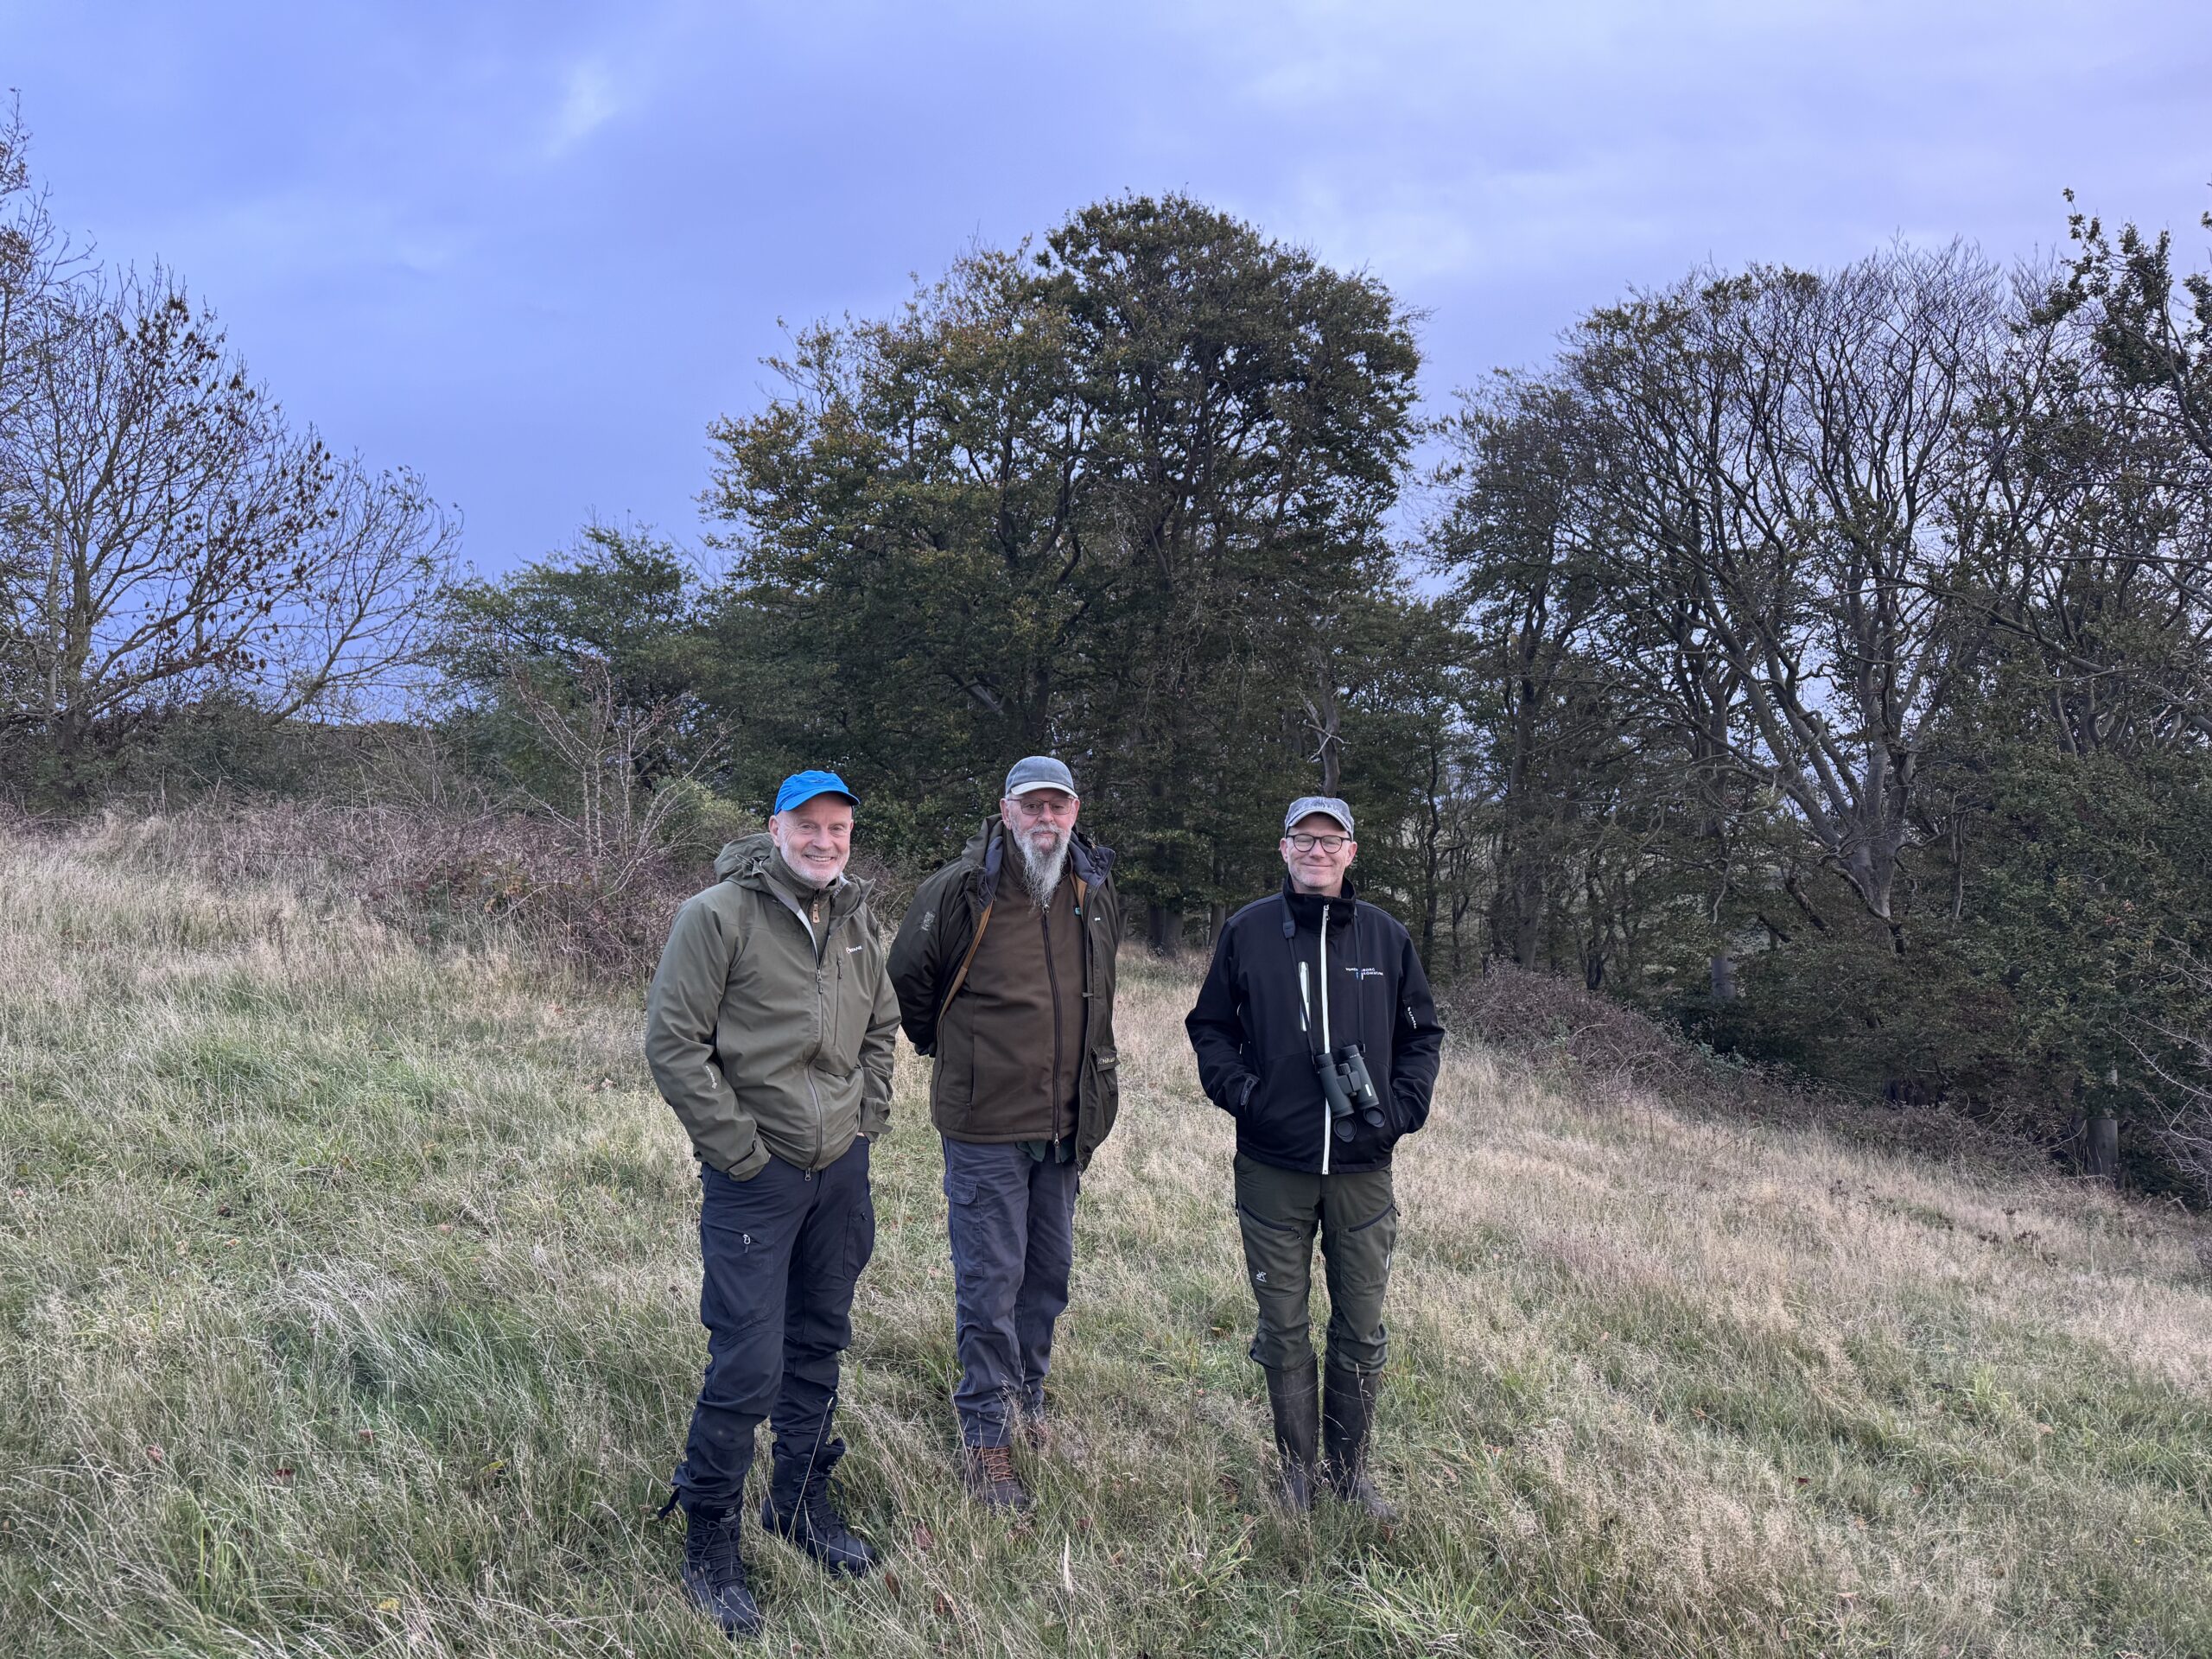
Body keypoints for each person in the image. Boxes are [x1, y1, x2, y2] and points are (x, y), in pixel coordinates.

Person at [645, 770, 899, 1639]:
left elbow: (880, 1028)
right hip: (756, 1173)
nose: (825, 841)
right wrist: (741, 1154)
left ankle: (797, 1504)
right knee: (747, 1361)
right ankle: (708, 1536)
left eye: (839, 828)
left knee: (820, 1339)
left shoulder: (860, 918)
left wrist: (868, 1119)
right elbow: (673, 1045)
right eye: (808, 825)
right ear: (774, 828)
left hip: (841, 1169)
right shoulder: (714, 915)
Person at [1184, 796, 1445, 1520]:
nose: (1317, 851)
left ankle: (1349, 1472)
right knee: (1283, 1325)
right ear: (1285, 847)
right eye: (1305, 838)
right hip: (1273, 1165)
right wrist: (1245, 1095)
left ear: (1352, 852)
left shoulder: (1387, 939)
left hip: (1364, 1170)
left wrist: (1401, 1111)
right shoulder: (1248, 932)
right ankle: (1297, 1472)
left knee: (1360, 1326)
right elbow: (1209, 1026)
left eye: (1331, 840)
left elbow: (1423, 1034)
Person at [888, 755, 1122, 1511]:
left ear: (1075, 812)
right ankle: (985, 1434)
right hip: (986, 1125)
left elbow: (1102, 996)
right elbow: (907, 979)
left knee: (1046, 1279)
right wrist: (952, 1052)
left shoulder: (1093, 887)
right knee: (990, 1286)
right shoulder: (964, 889)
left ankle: (1027, 1401)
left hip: (1064, 1126)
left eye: (1057, 807)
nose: (1045, 820)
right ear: (1006, 810)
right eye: (1032, 807)